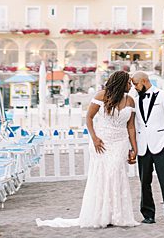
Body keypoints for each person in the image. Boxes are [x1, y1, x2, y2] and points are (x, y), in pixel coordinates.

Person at [37, 69, 139, 229]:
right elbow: (89, 117)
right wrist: (95, 138)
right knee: (102, 175)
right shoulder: (101, 96)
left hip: (120, 142)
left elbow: (131, 126)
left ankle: (117, 215)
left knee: (116, 173)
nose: (131, 86)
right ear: (121, 83)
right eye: (128, 83)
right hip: (102, 142)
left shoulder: (130, 101)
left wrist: (134, 148)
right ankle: (102, 214)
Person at [131, 69, 164, 226]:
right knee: (144, 182)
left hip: (161, 145)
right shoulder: (134, 98)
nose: (134, 87)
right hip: (143, 146)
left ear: (144, 81)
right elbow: (134, 123)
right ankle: (148, 215)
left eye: (136, 84)